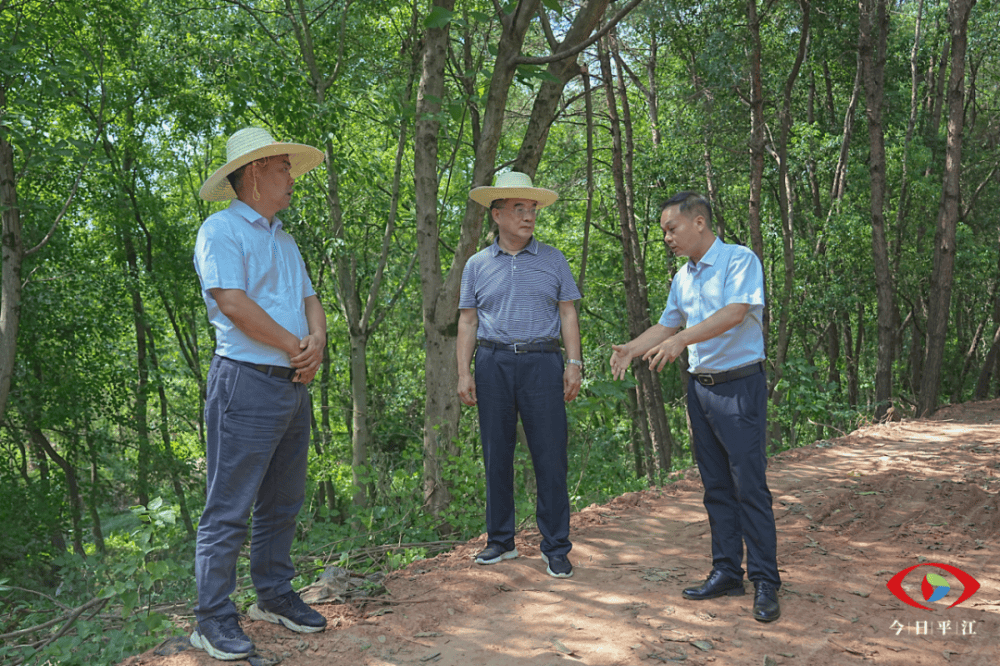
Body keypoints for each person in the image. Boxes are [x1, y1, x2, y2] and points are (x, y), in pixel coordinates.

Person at [190, 127, 329, 660]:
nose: (291, 178)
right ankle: (212, 618)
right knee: (229, 507)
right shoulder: (220, 230)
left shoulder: (284, 238)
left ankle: (272, 595)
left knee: (283, 501)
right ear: (253, 174)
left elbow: (309, 297)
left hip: (292, 385)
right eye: (282, 168)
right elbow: (232, 303)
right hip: (245, 383)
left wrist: (317, 341)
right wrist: (298, 346)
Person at [609, 191, 781, 623]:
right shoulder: (683, 277)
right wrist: (631, 348)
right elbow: (668, 324)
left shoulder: (738, 260)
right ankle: (726, 570)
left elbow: (736, 313)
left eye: (672, 228)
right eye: (664, 231)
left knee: (749, 486)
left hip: (740, 386)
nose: (667, 237)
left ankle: (765, 581)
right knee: (716, 486)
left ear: (699, 222)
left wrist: (681, 340)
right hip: (700, 390)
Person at [457, 171, 583, 579]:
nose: (529, 216)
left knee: (550, 454)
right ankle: (500, 540)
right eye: (519, 209)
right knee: (496, 453)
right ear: (497, 215)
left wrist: (574, 363)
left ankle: (556, 546)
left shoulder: (553, 259)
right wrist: (463, 373)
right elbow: (467, 322)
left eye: (532, 210)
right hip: (492, 363)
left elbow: (568, 312)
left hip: (542, 362)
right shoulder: (477, 265)